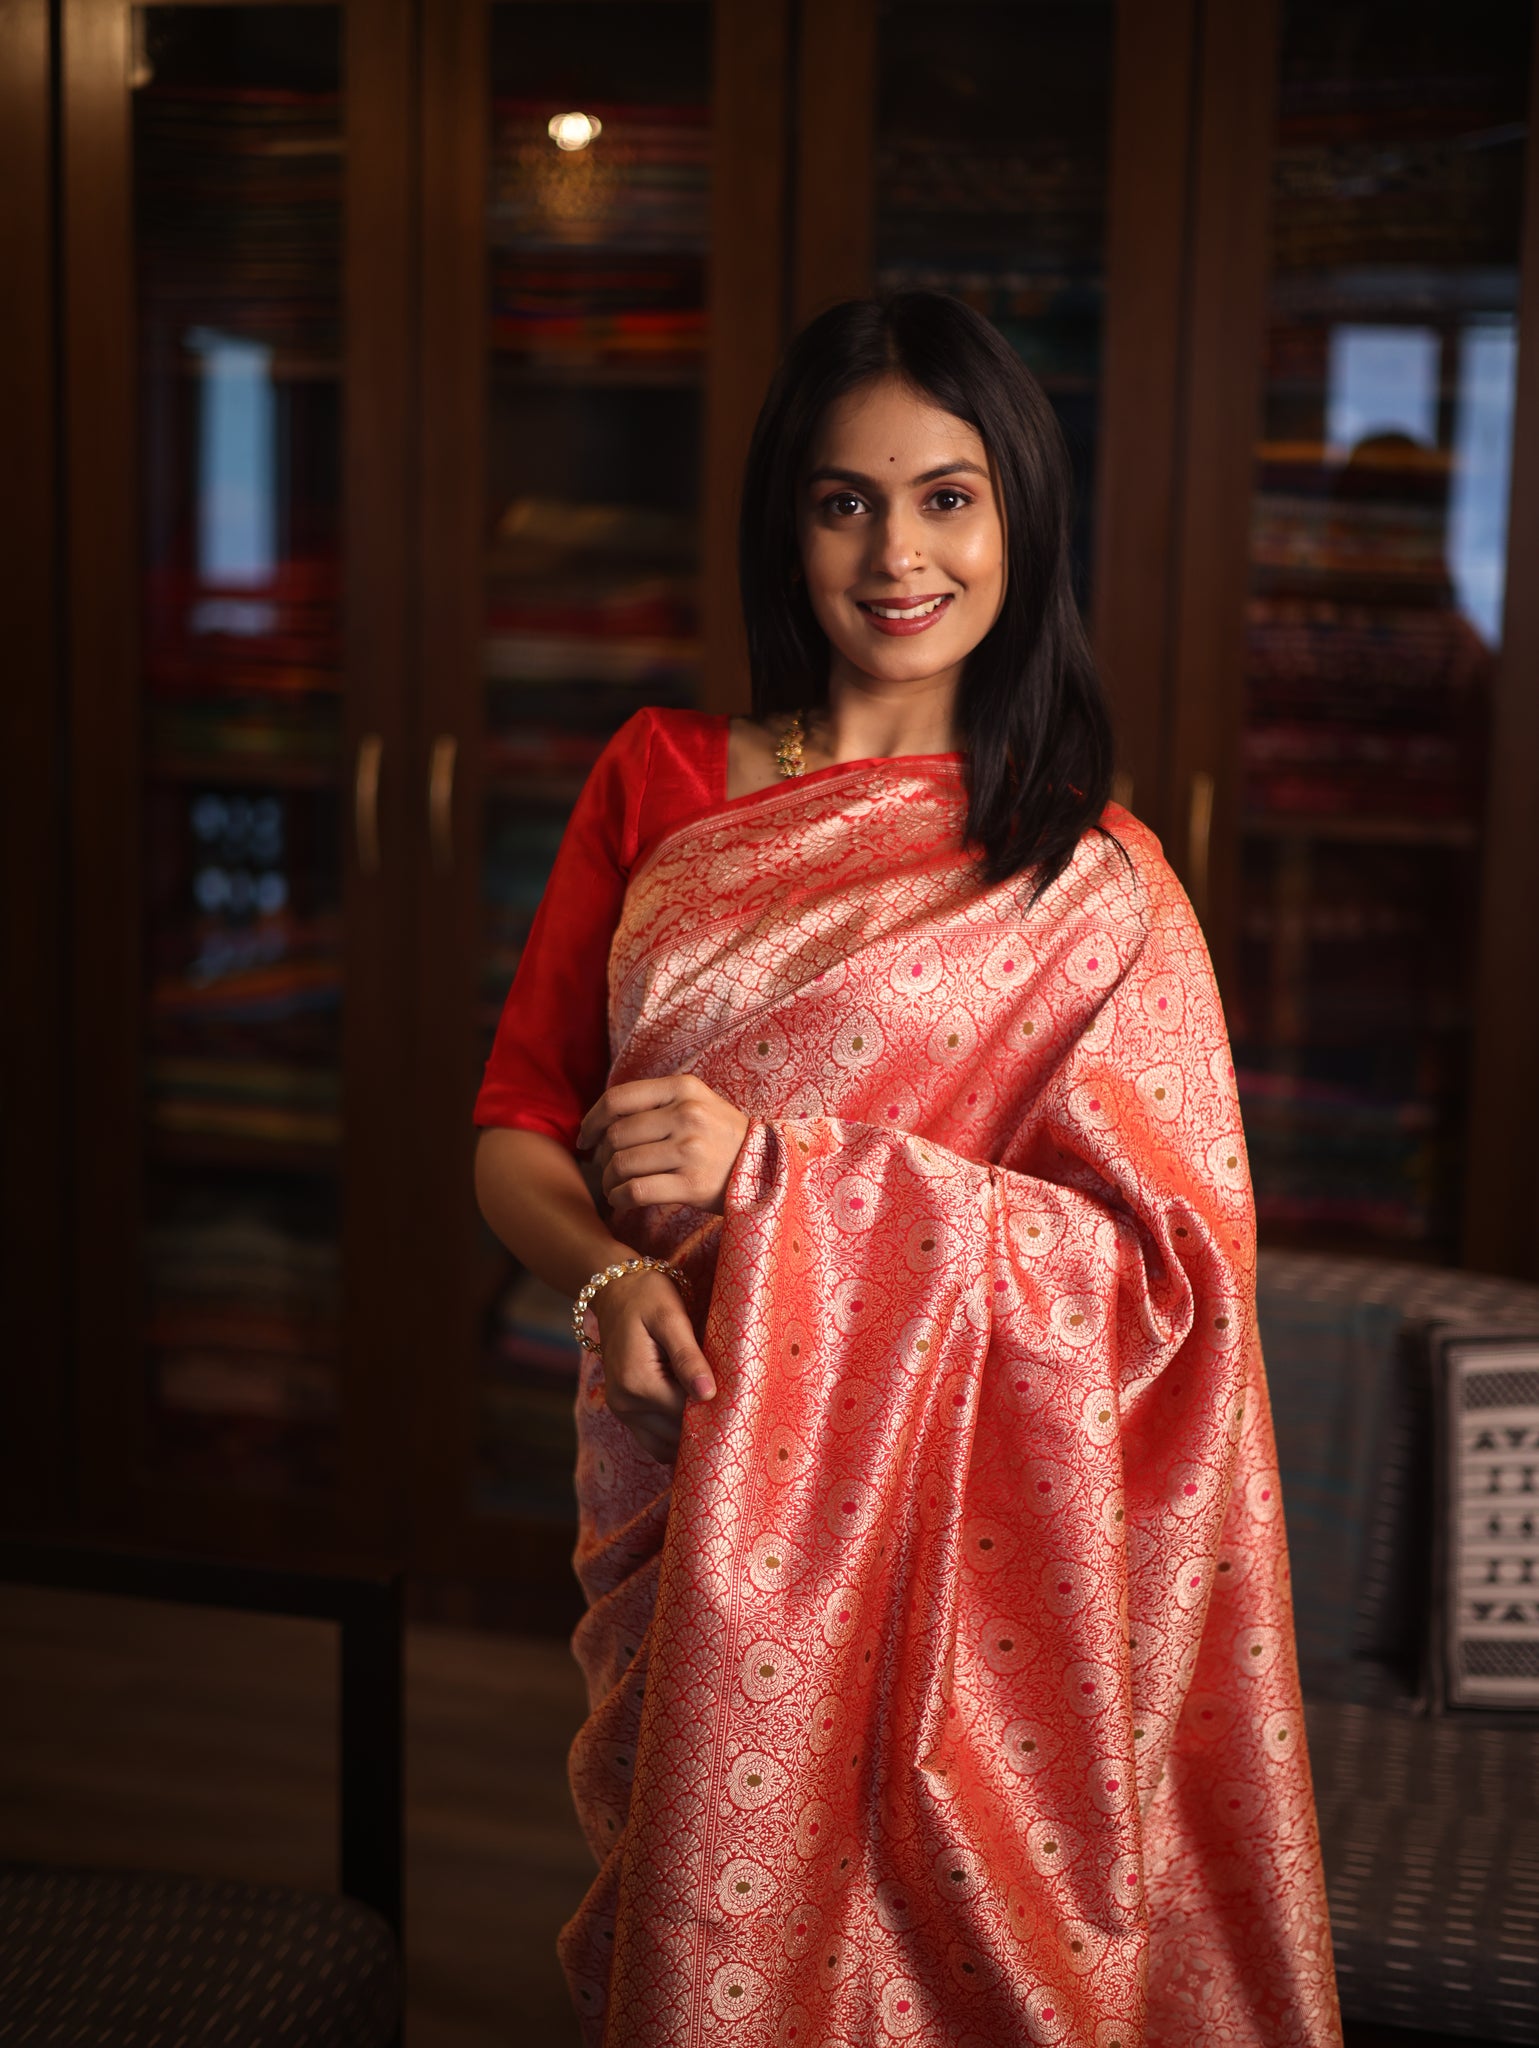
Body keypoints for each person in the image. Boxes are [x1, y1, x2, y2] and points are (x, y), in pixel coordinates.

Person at [474, 293, 1342, 2048]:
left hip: (964, 1560)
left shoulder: (1096, 883)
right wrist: (608, 1274)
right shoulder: (660, 780)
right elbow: (514, 1126)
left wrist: (780, 1175)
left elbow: (1171, 1286)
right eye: (843, 502)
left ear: (1021, 519)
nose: (897, 556)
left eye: (949, 499)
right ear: (784, 526)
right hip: (689, 1470)